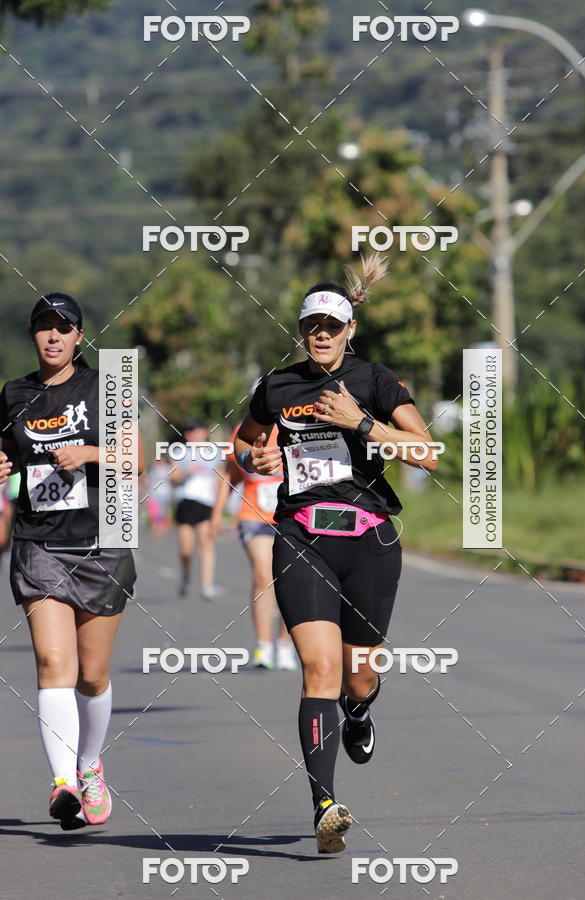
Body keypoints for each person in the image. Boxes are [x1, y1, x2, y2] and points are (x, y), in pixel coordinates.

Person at [234, 255, 438, 853]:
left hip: (369, 541)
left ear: (350, 330)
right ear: (300, 331)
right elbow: (244, 442)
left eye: (332, 325)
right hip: (301, 537)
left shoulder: (375, 380)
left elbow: (429, 453)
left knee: (358, 674)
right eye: (311, 325)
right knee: (318, 669)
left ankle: (358, 711)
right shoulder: (277, 386)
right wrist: (256, 461)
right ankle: (325, 803)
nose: (321, 334)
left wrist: (363, 423)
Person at [0, 292, 144, 831]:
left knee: (92, 674)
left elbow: (136, 456)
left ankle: (89, 765)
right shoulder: (13, 393)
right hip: (38, 544)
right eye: (44, 327)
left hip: (101, 542)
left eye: (64, 328)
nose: (54, 336)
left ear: (80, 336)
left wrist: (89, 454)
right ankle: (63, 784)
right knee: (51, 665)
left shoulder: (105, 385)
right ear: (34, 335)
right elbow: (7, 451)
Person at [211, 390, 297, 671]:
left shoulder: (298, 428)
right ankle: (263, 646)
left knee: (291, 579)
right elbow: (230, 473)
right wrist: (217, 512)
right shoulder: (243, 431)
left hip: (293, 515)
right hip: (253, 514)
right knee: (264, 573)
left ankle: (285, 644)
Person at [170, 421, 221, 600]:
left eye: (201, 432)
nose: (198, 435)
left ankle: (207, 586)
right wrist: (186, 472)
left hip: (206, 502)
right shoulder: (180, 452)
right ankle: (185, 577)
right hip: (186, 502)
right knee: (186, 549)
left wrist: (219, 509)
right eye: (194, 432)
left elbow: (219, 478)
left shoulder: (213, 453)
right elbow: (173, 477)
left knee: (206, 544)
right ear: (188, 435)